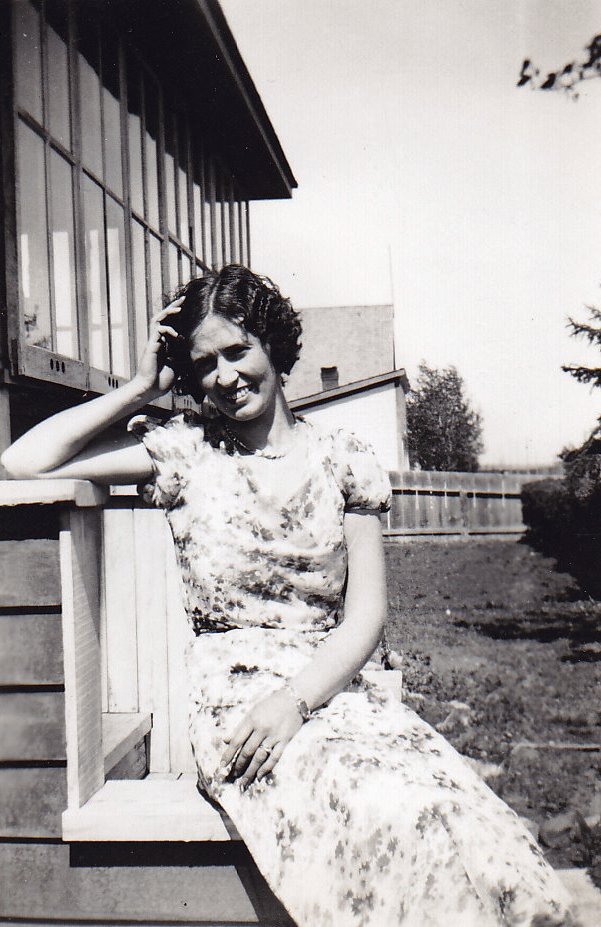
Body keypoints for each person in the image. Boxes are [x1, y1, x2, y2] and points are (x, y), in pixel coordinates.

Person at [2, 265, 577, 927]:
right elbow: (23, 461)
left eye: (237, 350)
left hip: (328, 692)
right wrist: (137, 388)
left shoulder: (343, 459)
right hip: (240, 707)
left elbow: (365, 615)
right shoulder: (184, 452)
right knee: (389, 811)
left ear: (272, 345)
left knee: (463, 815)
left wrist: (297, 698)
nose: (225, 375)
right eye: (205, 362)